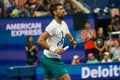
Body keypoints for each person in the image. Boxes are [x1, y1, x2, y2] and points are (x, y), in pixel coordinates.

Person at [37, 2, 77, 80]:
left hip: (45, 57)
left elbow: (68, 36)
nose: (63, 10)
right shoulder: (52, 26)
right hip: (51, 59)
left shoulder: (64, 24)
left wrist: (72, 40)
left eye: (63, 8)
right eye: (60, 9)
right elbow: (40, 41)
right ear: (55, 12)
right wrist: (54, 50)